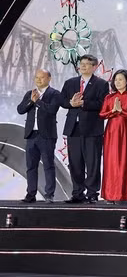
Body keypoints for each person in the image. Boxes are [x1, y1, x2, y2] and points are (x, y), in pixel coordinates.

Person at [60, 54, 109, 204]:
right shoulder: (70, 83)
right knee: (75, 162)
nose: (83, 66)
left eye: (87, 64)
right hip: (73, 128)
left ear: (94, 67)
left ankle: (92, 193)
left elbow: (102, 104)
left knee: (93, 162)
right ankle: (77, 193)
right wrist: (71, 103)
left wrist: (83, 103)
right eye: (82, 63)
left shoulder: (101, 84)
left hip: (92, 129)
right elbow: (62, 100)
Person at [17, 69, 61, 203]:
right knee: (31, 166)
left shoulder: (54, 94)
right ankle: (31, 194)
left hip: (46, 136)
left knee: (48, 165)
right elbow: (20, 110)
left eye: (41, 77)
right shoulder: (30, 94)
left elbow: (52, 109)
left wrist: (38, 102)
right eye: (36, 77)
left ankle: (49, 195)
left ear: (49, 79)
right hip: (31, 135)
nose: (38, 80)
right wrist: (31, 101)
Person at [99, 69, 127, 203]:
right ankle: (110, 193)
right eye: (116, 80)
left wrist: (122, 112)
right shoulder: (109, 97)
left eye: (121, 79)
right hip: (112, 131)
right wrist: (113, 111)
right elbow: (102, 114)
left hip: (126, 131)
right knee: (111, 162)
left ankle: (124, 194)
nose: (118, 82)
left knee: (125, 161)